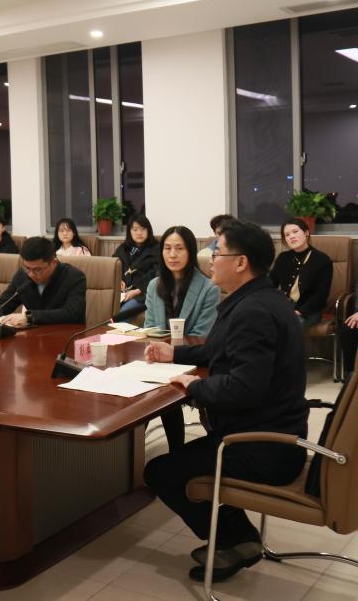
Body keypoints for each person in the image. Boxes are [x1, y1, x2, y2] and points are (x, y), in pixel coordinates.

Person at [142, 220, 308, 583]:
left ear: (241, 262)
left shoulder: (253, 312)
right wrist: (175, 354)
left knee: (160, 472)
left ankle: (235, 538)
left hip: (262, 446)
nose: (211, 260)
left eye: (217, 253)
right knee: (174, 464)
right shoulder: (256, 299)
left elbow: (244, 389)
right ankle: (238, 535)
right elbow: (218, 350)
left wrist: (194, 387)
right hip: (272, 432)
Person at [144, 226, 220, 452]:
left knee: (166, 391)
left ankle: (176, 452)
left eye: (179, 248)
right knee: (139, 397)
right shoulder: (154, 285)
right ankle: (126, 452)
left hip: (192, 361)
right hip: (158, 360)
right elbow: (150, 328)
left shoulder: (208, 288)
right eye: (167, 248)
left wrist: (170, 351)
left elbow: (201, 336)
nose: (172, 254)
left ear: (191, 252)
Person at [0, 236, 86, 326]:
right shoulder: (22, 275)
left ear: (53, 263)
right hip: (33, 337)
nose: (30, 274)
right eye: (27, 268)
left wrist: (30, 317)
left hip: (67, 337)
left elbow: (72, 313)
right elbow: (5, 304)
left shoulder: (74, 277)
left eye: (37, 270)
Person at [269, 218, 332, 328]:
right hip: (284, 306)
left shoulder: (322, 260)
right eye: (287, 235)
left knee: (284, 328)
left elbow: (321, 294)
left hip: (308, 311)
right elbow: (270, 284)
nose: (291, 236)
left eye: (295, 232)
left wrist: (299, 311)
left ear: (306, 233)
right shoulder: (283, 258)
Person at [113, 214, 159, 320]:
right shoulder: (123, 248)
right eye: (135, 229)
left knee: (123, 314)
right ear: (129, 231)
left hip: (143, 294)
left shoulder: (157, 249)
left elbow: (155, 275)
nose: (139, 233)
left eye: (143, 229)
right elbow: (113, 266)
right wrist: (119, 279)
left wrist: (137, 291)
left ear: (149, 230)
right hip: (122, 292)